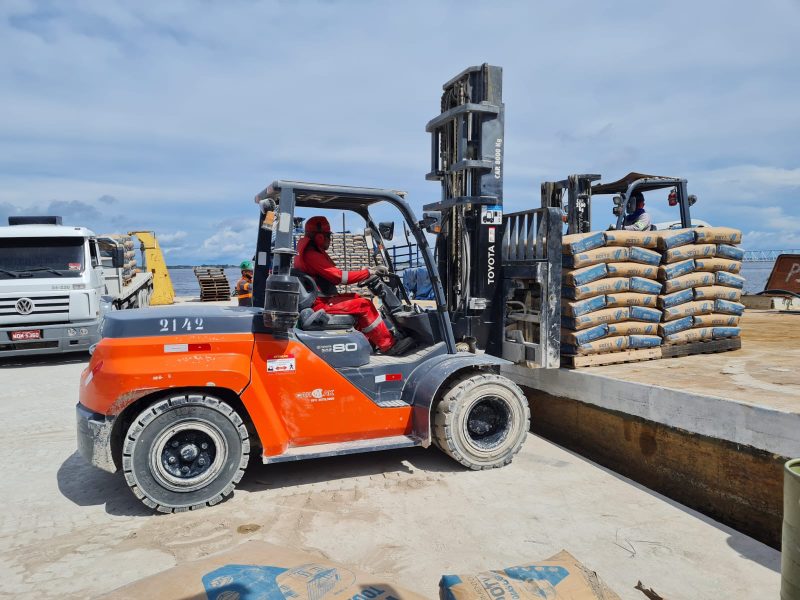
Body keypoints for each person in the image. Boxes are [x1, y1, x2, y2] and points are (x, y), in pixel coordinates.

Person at [293, 216, 414, 356]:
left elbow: (336, 274)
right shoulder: (312, 254)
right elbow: (339, 277)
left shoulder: (311, 252)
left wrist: (365, 271)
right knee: (364, 305)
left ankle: (371, 342)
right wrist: (369, 272)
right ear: (320, 237)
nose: (330, 239)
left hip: (321, 300)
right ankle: (389, 345)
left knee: (356, 297)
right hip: (320, 304)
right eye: (328, 236)